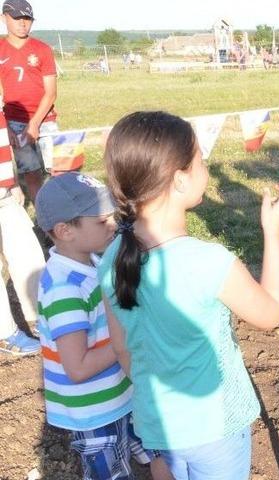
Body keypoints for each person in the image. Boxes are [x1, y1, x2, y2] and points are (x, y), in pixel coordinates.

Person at [98, 111, 279, 479]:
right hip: (216, 430)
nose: (205, 167)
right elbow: (270, 314)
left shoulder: (111, 258)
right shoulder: (209, 263)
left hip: (156, 424)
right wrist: (273, 233)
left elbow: (123, 350)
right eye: (201, 160)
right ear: (179, 180)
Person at [34, 173, 170, 480]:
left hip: (118, 393)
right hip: (93, 412)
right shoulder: (63, 288)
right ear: (64, 230)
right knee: (111, 474)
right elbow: (78, 367)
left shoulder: (93, 261)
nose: (114, 226)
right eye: (102, 221)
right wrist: (131, 338)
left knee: (149, 449)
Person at [0, 0, 58, 203]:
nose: (23, 23)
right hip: (14, 122)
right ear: (3, 18)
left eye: (27, 18)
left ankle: (63, 216)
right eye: (17, 18)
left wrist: (35, 123)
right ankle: (43, 222)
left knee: (57, 171)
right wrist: (4, 126)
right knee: (31, 174)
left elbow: (50, 93)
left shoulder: (42, 49)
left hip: (45, 119)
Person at [0, 108, 43, 356]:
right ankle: (5, 333)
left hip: (4, 190)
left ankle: (40, 318)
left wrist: (12, 180)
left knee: (28, 252)